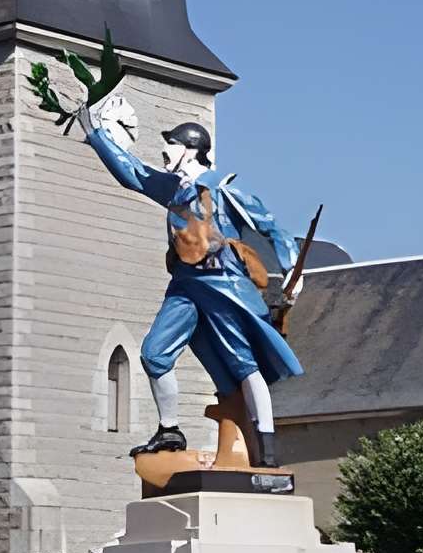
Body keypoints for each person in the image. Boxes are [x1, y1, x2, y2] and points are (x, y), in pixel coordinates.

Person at [79, 101, 303, 464]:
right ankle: (170, 430)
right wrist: (95, 132)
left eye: (171, 144)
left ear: (191, 150)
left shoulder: (223, 188)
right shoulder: (173, 189)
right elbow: (132, 172)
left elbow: (272, 226)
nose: (164, 150)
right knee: (154, 354)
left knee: (244, 365)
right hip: (184, 287)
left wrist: (292, 268)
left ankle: (266, 448)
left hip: (221, 285)